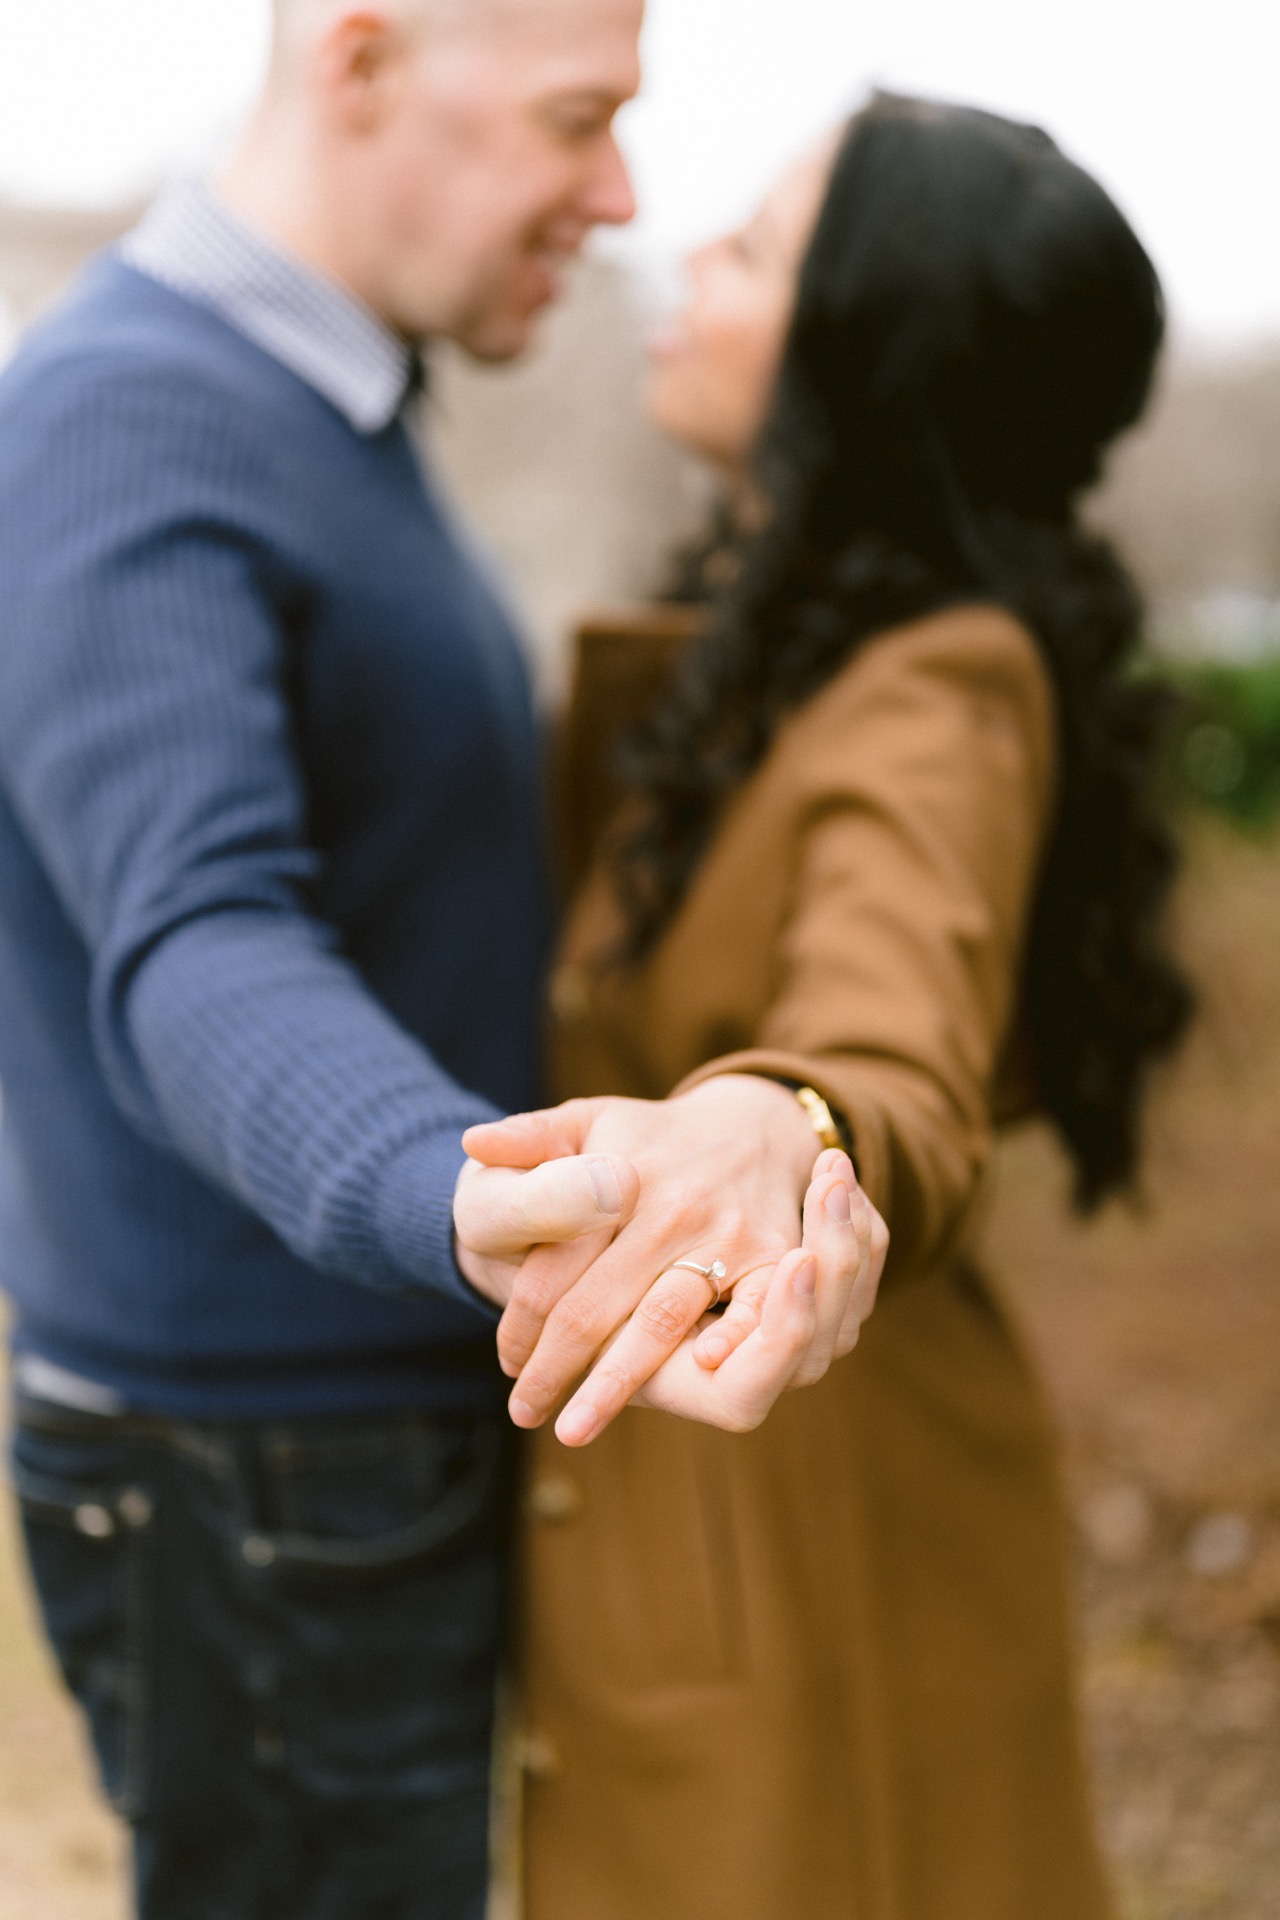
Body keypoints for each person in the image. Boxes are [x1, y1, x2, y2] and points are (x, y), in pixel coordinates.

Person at [0, 4, 885, 1916]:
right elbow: (195, 935)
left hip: (334, 1425)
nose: (623, 190)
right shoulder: (127, 411)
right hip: (256, 1455)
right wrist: (461, 1191)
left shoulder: (319, 402)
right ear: (360, 58)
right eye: (582, 118)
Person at [465, 95, 1192, 1919]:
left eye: (762, 245)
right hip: (746, 1492)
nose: (692, 256)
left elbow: (896, 1043)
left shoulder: (937, 687)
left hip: (819, 1532)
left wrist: (786, 1118)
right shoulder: (791, 661)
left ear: (866, 352)